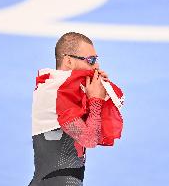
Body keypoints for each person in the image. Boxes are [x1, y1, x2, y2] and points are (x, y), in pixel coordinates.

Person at [28, 32, 123, 186]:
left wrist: (96, 92)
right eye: (91, 60)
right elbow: (90, 139)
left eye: (96, 60)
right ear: (69, 61)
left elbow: (96, 132)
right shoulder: (56, 92)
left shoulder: (64, 90)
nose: (96, 66)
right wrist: (95, 100)